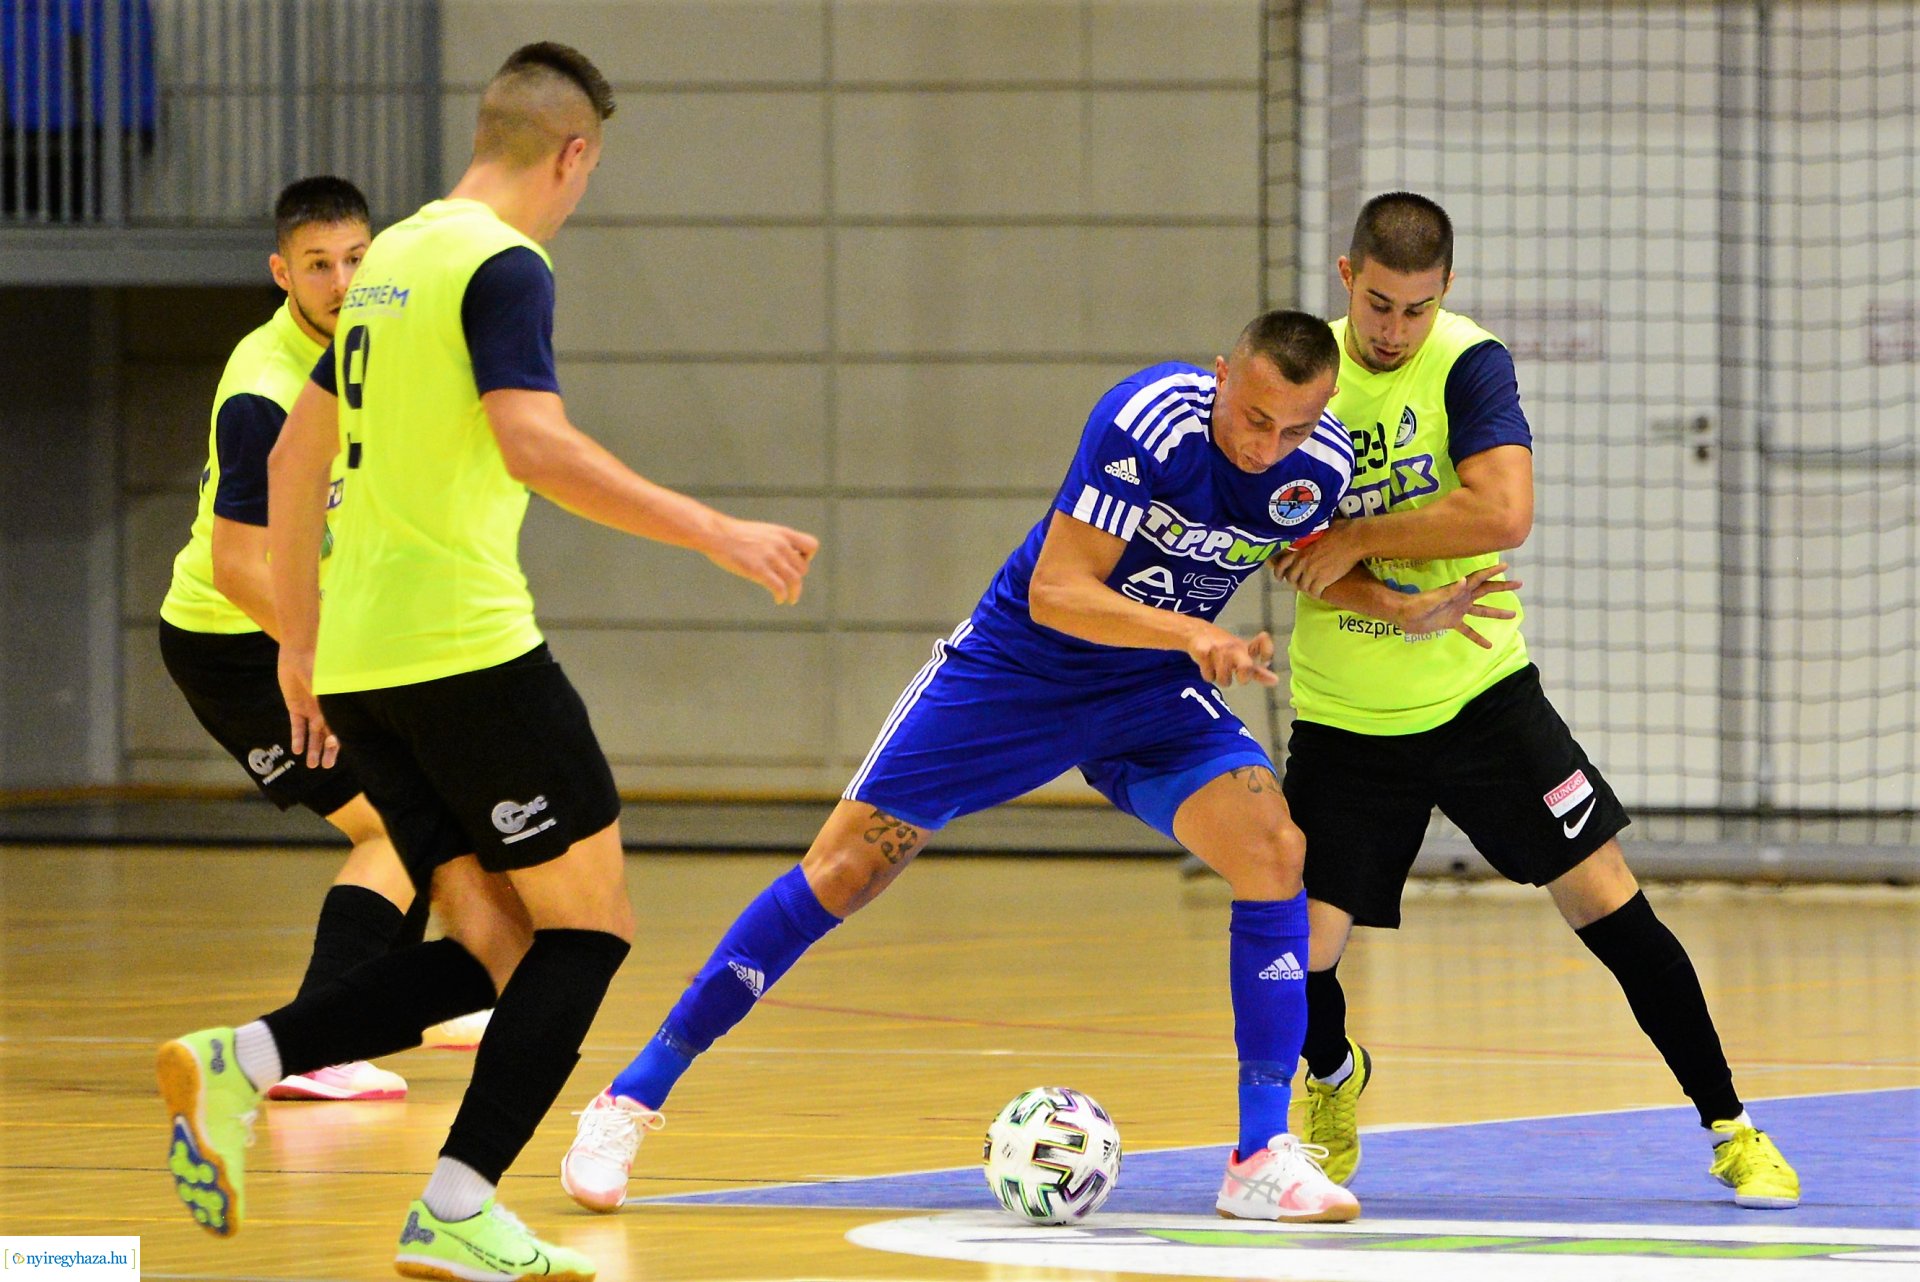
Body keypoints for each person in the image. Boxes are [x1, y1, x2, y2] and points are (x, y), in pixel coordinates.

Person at [557, 311, 1515, 1224]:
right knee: (842, 872)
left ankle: (1260, 1157)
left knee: (1274, 848)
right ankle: (629, 1099)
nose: (1268, 446)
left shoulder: (1320, 461)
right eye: (1254, 418)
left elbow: (1303, 561)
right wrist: (1191, 634)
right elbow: (1059, 590)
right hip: (1019, 674)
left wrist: (1398, 608)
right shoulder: (1147, 422)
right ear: (1222, 377)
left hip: (1148, 694)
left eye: (1293, 427)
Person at [154, 42, 818, 1280]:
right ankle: (455, 1204)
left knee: (494, 943)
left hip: (362, 665)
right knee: (591, 930)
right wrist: (713, 528)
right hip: (466, 652)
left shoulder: (390, 259)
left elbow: (296, 461)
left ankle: (241, 1062)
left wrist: (300, 641)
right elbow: (533, 443)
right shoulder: (503, 263)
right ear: (573, 154)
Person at [1269, 191, 1800, 1210]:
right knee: (1299, 952)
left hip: (1483, 697)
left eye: (1417, 308)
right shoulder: (1307, 376)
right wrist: (1392, 598)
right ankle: (1333, 1075)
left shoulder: (1469, 362)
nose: (1395, 330)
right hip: (1347, 714)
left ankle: (1731, 1126)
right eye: (1378, 305)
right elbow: (1294, 553)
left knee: (1610, 900)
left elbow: (1503, 511)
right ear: (1346, 278)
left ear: (1445, 292)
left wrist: (1362, 536)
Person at [157, 174, 487, 1103]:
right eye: (317, 265)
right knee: (392, 823)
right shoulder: (262, 390)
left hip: (324, 625)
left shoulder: (373, 352)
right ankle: (316, 1042)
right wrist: (320, 661)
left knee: (433, 801)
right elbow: (237, 566)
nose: (341, 282)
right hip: (237, 643)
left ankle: (398, 1002)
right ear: (282, 273)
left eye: (355, 259)